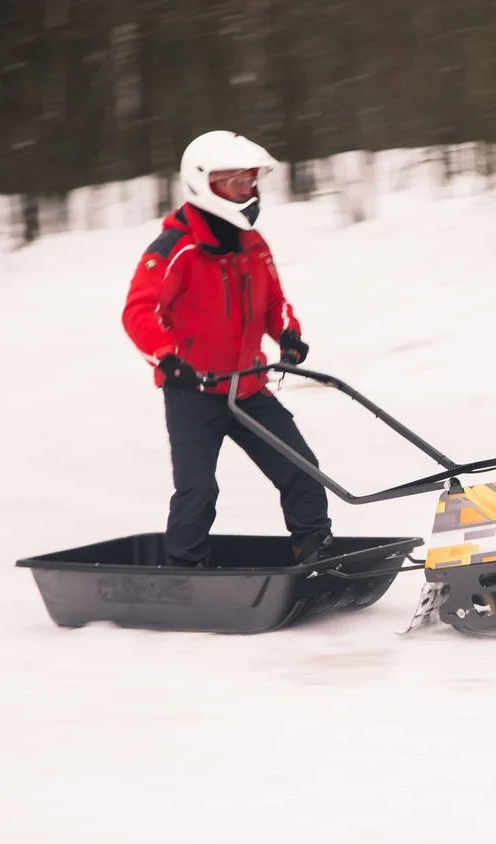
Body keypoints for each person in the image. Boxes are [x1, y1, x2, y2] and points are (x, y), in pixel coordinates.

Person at [121, 130, 334, 567]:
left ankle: (315, 553)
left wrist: (288, 335)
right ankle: (185, 570)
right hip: (193, 391)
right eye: (234, 182)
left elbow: (274, 303)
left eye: (249, 181)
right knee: (198, 490)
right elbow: (138, 311)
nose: (245, 190)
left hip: (248, 386)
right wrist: (168, 357)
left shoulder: (252, 243)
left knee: (302, 469)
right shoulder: (175, 249)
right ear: (203, 183)